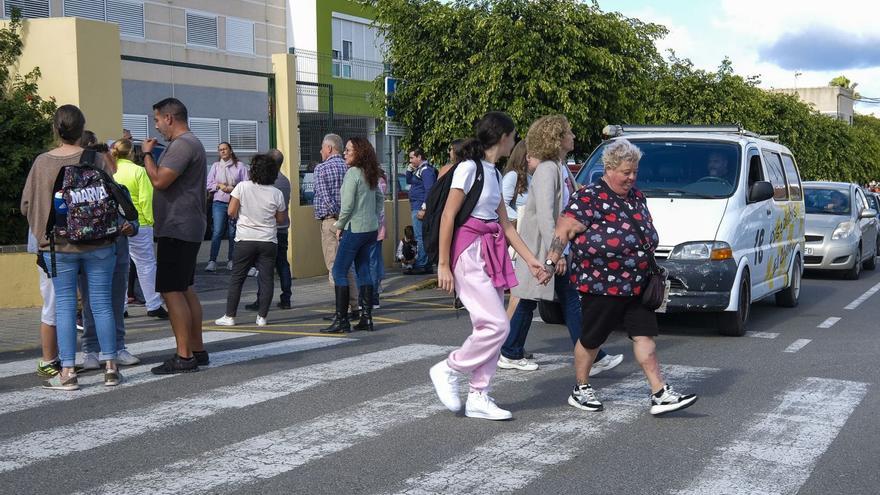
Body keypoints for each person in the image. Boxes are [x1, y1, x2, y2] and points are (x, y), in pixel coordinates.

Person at [545, 138, 698, 416]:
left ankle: (659, 392)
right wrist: (550, 262)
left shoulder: (636, 197)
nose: (631, 178)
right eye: (626, 172)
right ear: (609, 168)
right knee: (592, 339)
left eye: (635, 172)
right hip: (602, 284)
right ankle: (580, 388)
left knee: (645, 336)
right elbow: (563, 230)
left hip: (637, 282)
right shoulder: (589, 197)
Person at [428, 111, 550, 421]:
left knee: (489, 327)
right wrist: (443, 263)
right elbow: (447, 216)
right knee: (497, 325)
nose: (516, 141)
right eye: (514, 135)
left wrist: (533, 261)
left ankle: (479, 395)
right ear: (503, 137)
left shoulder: (493, 174)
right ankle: (449, 368)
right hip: (468, 253)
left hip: (490, 252)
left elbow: (507, 226)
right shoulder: (468, 169)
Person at [503, 115, 623, 374]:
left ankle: (512, 351)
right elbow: (548, 215)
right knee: (544, 299)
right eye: (569, 132)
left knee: (549, 299)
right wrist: (556, 253)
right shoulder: (547, 169)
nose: (573, 136)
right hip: (544, 247)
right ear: (557, 138)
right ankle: (593, 356)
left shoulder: (560, 166)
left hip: (553, 246)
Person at [21, 104, 120, 389]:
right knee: (101, 304)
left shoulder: (42, 162)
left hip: (58, 244)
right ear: (82, 129)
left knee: (64, 305)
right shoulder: (95, 158)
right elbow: (111, 195)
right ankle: (111, 367)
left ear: (56, 129)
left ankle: (67, 372)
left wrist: (42, 230)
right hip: (99, 242)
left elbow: (27, 204)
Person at [142, 97, 209, 375]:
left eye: (157, 120)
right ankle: (197, 349)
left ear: (169, 118)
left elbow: (159, 180)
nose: (157, 127)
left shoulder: (182, 145)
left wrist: (147, 155)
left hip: (177, 226)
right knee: (185, 287)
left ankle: (184, 356)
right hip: (188, 225)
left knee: (171, 290)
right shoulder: (192, 143)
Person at [80, 142, 141, 370]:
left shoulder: (121, 190)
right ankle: (90, 350)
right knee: (90, 305)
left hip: (118, 254)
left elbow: (134, 221)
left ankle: (118, 347)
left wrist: (130, 227)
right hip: (91, 256)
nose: (111, 164)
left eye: (111, 159)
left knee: (116, 303)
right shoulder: (84, 193)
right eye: (106, 160)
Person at [215, 154, 288, 327]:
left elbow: (231, 211)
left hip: (245, 239)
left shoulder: (242, 187)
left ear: (253, 170)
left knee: (237, 278)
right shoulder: (276, 193)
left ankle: (230, 316)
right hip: (268, 241)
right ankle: (262, 317)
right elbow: (280, 219)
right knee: (266, 279)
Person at [321, 137, 384, 334]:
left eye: (349, 150)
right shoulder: (370, 172)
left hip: (354, 228)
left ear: (359, 153)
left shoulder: (353, 174)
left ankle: (342, 320)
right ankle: (366, 317)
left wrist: (340, 225)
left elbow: (347, 206)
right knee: (363, 269)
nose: (345, 153)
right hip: (370, 229)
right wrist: (373, 216)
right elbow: (380, 199)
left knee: (339, 271)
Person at [111, 138, 168, 319]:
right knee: (146, 265)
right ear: (131, 153)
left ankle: (121, 307)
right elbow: (146, 199)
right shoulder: (139, 171)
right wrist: (151, 221)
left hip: (118, 224)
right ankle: (153, 304)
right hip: (140, 223)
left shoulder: (111, 171)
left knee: (121, 266)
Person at [313, 133, 358, 317]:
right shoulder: (350, 168)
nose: (321, 151)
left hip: (332, 221)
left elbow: (324, 195)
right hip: (349, 222)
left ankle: (343, 308)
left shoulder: (321, 169)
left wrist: (338, 214)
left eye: (323, 148)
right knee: (347, 266)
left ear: (330, 148)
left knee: (334, 266)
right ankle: (356, 306)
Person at [246, 149, 293, 311]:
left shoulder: (266, 182)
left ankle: (261, 300)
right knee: (283, 264)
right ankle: (286, 298)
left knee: (264, 267)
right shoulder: (286, 181)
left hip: (267, 230)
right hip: (283, 228)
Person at [205, 142, 247, 272]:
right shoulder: (216, 166)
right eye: (220, 150)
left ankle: (231, 260)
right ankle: (212, 261)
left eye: (225, 149)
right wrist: (219, 186)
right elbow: (208, 184)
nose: (222, 151)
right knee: (217, 231)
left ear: (230, 151)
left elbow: (246, 184)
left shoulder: (240, 166)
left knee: (232, 232)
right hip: (219, 202)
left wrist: (233, 188)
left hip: (234, 201)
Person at [405, 147, 437, 274]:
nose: (410, 160)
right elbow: (408, 180)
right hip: (416, 206)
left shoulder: (425, 171)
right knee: (421, 236)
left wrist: (424, 208)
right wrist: (409, 169)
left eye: (412, 157)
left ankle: (422, 264)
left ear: (419, 157)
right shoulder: (419, 170)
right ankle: (425, 263)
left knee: (420, 236)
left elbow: (429, 190)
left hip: (420, 207)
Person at [369, 168, 388, 309]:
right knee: (375, 260)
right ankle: (377, 287)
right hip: (379, 226)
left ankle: (373, 295)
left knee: (371, 262)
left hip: (372, 227)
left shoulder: (374, 183)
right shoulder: (382, 180)